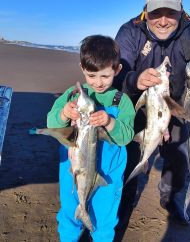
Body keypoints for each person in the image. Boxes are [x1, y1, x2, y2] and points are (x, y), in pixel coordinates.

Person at [113, 0, 190, 226]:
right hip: (138, 105)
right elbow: (117, 72)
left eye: (170, 13)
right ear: (146, 10)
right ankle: (127, 196)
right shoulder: (130, 31)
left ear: (181, 11)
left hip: (179, 106)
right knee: (130, 156)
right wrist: (135, 80)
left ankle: (170, 199)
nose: (162, 20)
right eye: (156, 13)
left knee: (178, 159)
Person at [47, 35, 135, 242]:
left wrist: (109, 122)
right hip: (74, 172)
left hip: (108, 176)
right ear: (82, 69)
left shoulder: (121, 102)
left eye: (105, 76)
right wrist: (64, 114)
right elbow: (52, 123)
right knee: (69, 214)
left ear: (117, 70)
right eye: (91, 75)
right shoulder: (71, 96)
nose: (98, 83)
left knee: (105, 219)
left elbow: (126, 136)